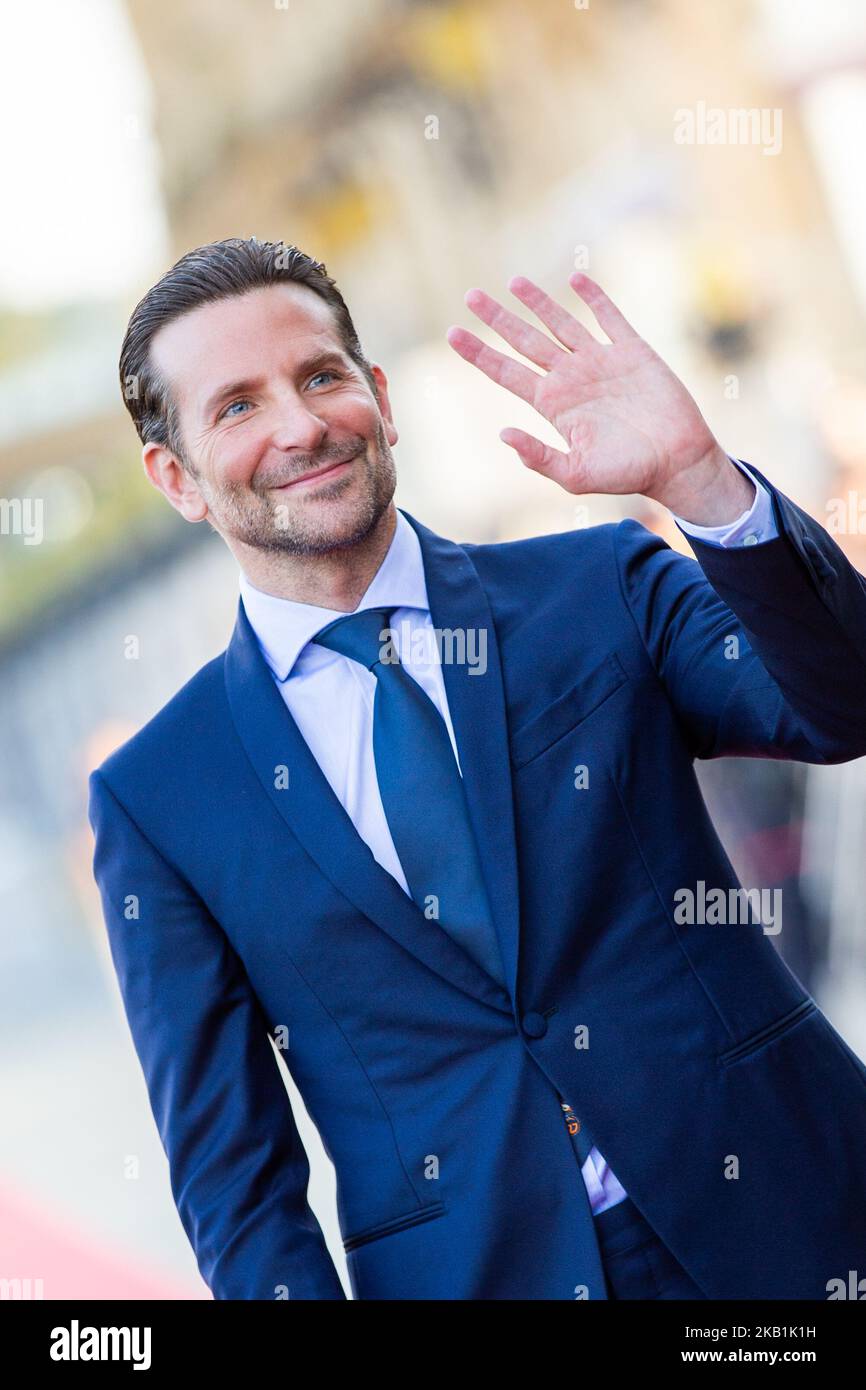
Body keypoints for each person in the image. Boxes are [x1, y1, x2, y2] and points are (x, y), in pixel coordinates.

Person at [89, 236, 866, 1300]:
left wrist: (701, 482)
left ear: (382, 398)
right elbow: (236, 1188)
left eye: (320, 375)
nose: (300, 424)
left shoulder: (598, 583)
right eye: (236, 406)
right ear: (174, 477)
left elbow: (839, 704)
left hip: (796, 1227)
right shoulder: (158, 797)